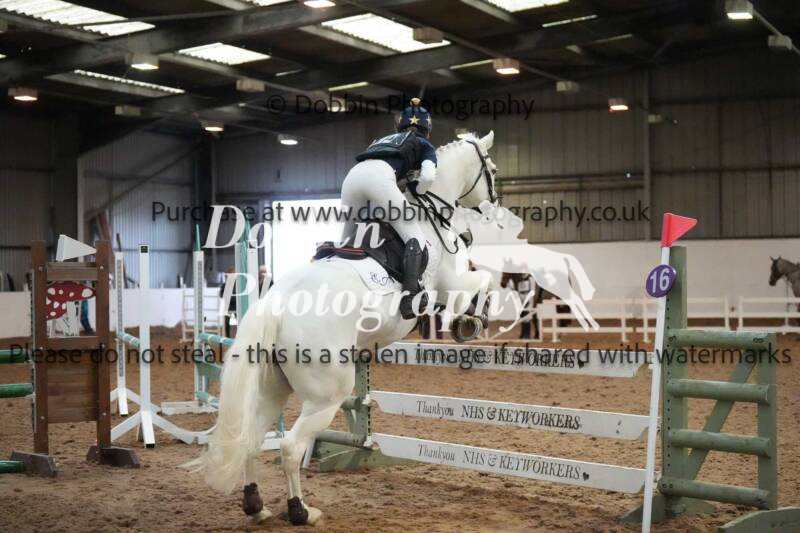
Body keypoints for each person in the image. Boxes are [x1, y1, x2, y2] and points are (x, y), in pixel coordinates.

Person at [341, 97, 438, 319]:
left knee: (346, 238)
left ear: (398, 127)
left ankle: (325, 265)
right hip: (380, 180)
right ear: (428, 130)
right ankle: (410, 297)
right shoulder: (424, 143)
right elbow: (428, 178)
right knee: (415, 237)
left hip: (351, 179)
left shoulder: (380, 140)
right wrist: (418, 189)